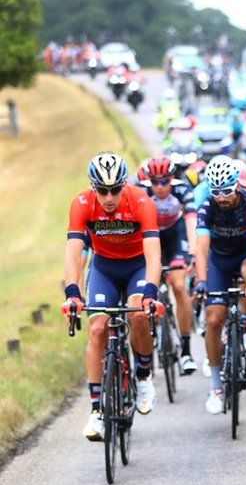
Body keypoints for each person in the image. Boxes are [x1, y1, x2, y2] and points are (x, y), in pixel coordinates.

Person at [62, 152, 162, 440]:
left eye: (115, 189)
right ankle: (96, 411)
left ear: (124, 185)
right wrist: (72, 292)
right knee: (97, 328)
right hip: (104, 268)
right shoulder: (81, 203)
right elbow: (73, 251)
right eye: (102, 190)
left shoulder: (142, 202)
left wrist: (150, 292)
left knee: (140, 314)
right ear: (93, 187)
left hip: (137, 267)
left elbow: (154, 254)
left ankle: (143, 376)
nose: (109, 197)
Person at [193, 156, 246, 414]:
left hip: (244, 256)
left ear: (238, 186)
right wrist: (201, 281)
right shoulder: (207, 206)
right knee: (213, 319)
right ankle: (216, 387)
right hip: (218, 261)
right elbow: (201, 247)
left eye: (227, 191)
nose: (221, 197)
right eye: (216, 191)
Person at [139, 155, 198, 374]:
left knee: (179, 285)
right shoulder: (141, 192)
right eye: (155, 181)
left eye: (164, 181)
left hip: (175, 237)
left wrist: (192, 251)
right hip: (149, 238)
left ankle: (185, 351)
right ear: (148, 180)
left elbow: (191, 220)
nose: (160, 186)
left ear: (172, 179)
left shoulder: (181, 190)